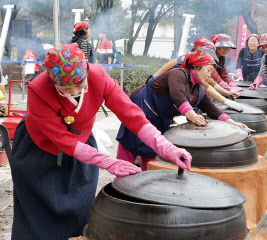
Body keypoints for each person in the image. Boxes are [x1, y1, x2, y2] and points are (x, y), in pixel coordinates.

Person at [9, 43, 192, 240]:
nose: (74, 92)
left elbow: (132, 116)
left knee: (79, 207)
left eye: (79, 85)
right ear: (53, 82)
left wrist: (167, 148)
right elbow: (61, 139)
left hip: (82, 148)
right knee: (39, 212)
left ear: (86, 70)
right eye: (66, 88)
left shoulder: (99, 78)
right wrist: (108, 162)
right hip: (39, 150)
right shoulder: (38, 89)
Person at [117, 50, 248, 170]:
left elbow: (213, 110)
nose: (209, 75)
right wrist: (192, 115)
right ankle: (120, 181)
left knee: (152, 151)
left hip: (159, 119)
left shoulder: (199, 89)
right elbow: (177, 95)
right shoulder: (178, 74)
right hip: (142, 108)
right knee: (129, 147)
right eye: (208, 70)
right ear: (196, 67)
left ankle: (145, 185)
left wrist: (234, 124)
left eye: (211, 72)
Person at [153, 36, 243, 111]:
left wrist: (226, 95)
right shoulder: (182, 62)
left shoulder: (202, 66)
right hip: (158, 96)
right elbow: (156, 77)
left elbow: (208, 83)